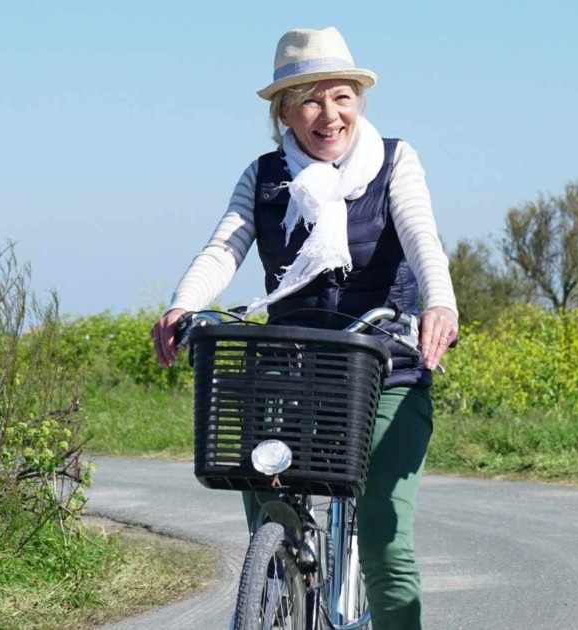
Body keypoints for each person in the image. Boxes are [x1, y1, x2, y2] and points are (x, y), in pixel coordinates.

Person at [150, 26, 458, 629]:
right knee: (268, 503)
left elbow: (423, 239)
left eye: (341, 96)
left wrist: (440, 304)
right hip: (296, 370)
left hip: (387, 369)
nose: (329, 114)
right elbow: (225, 246)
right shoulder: (264, 176)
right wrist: (182, 303)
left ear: (359, 102)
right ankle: (279, 584)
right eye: (310, 99)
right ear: (285, 111)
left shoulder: (395, 162)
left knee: (385, 543)